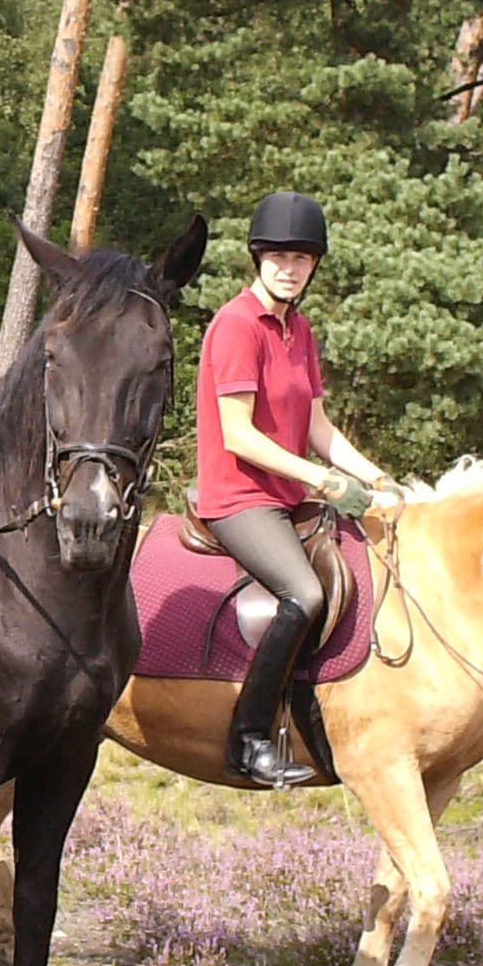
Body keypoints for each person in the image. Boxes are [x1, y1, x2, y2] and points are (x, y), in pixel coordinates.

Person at [195, 190, 393, 787]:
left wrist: (376, 477)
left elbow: (317, 425)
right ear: (258, 258)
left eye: (302, 259)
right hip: (237, 498)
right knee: (305, 594)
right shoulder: (236, 325)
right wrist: (323, 480)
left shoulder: (298, 329)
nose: (289, 268)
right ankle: (248, 737)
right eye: (278, 256)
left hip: (288, 496)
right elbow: (238, 435)